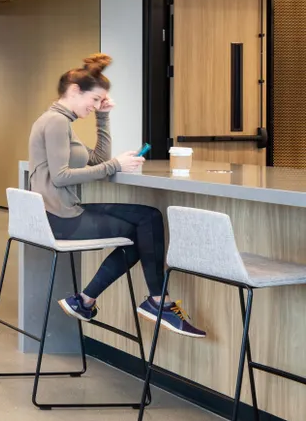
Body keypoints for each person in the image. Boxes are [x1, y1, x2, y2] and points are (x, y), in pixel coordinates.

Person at [29, 54, 205, 338]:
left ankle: (87, 301)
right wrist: (116, 167)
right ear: (74, 90)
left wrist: (103, 117)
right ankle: (158, 301)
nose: (96, 105)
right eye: (95, 99)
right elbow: (62, 176)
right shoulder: (57, 122)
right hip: (59, 218)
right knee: (145, 227)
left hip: (60, 211)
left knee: (147, 218)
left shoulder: (59, 121)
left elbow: (98, 157)